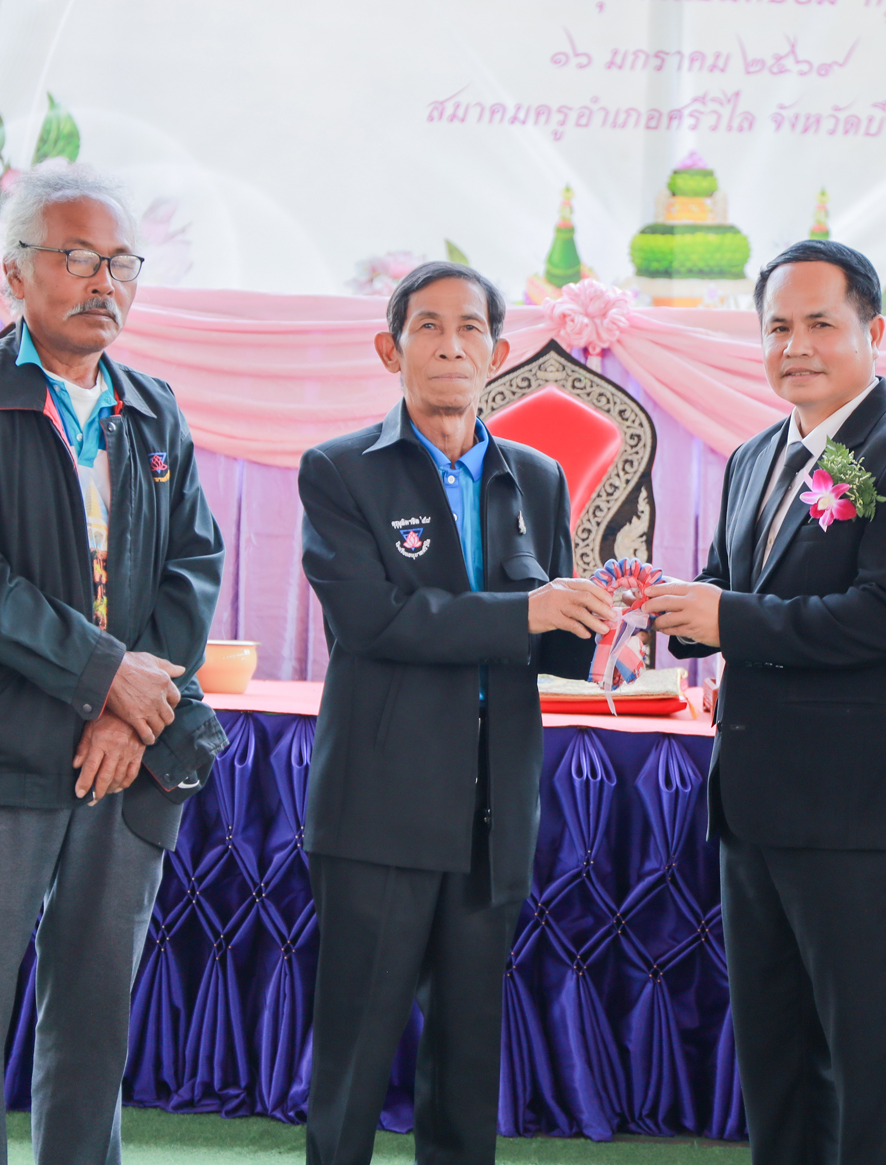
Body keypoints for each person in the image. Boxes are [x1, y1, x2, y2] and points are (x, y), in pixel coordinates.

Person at [0, 165, 227, 1165]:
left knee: (94, 1019)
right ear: (13, 273)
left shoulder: (151, 409)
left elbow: (193, 566)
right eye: (76, 258)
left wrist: (128, 710)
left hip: (126, 757)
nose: (102, 282)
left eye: (120, 262)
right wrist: (104, 673)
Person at [645, 240, 886, 1165]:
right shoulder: (755, 455)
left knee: (868, 1059)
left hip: (852, 807)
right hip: (752, 799)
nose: (796, 346)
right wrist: (666, 607)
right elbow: (728, 584)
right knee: (776, 1055)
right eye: (778, 326)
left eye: (821, 323)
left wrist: (727, 616)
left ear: (874, 330)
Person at [297, 261, 609, 1165]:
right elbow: (376, 620)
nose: (450, 345)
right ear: (389, 348)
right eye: (427, 326)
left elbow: (549, 636)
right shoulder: (340, 470)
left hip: (493, 807)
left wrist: (609, 625)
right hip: (381, 802)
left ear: (497, 353)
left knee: (470, 1059)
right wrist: (530, 612)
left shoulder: (536, 476)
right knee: (355, 1053)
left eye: (470, 327)